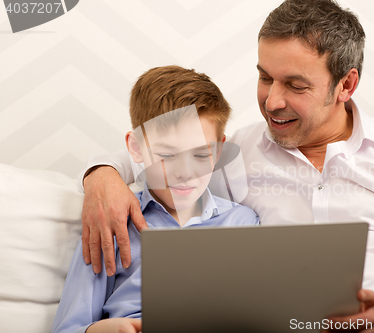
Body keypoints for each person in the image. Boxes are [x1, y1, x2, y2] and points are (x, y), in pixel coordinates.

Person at [77, 1, 374, 332]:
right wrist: (102, 175)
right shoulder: (234, 151)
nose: (272, 101)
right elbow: (161, 153)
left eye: (295, 85)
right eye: (265, 78)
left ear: (345, 86)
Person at [52, 66, 259, 333]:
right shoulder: (113, 224)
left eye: (200, 155)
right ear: (136, 148)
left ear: (219, 150)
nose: (185, 173)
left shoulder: (243, 224)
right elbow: (68, 327)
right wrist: (107, 329)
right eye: (167, 155)